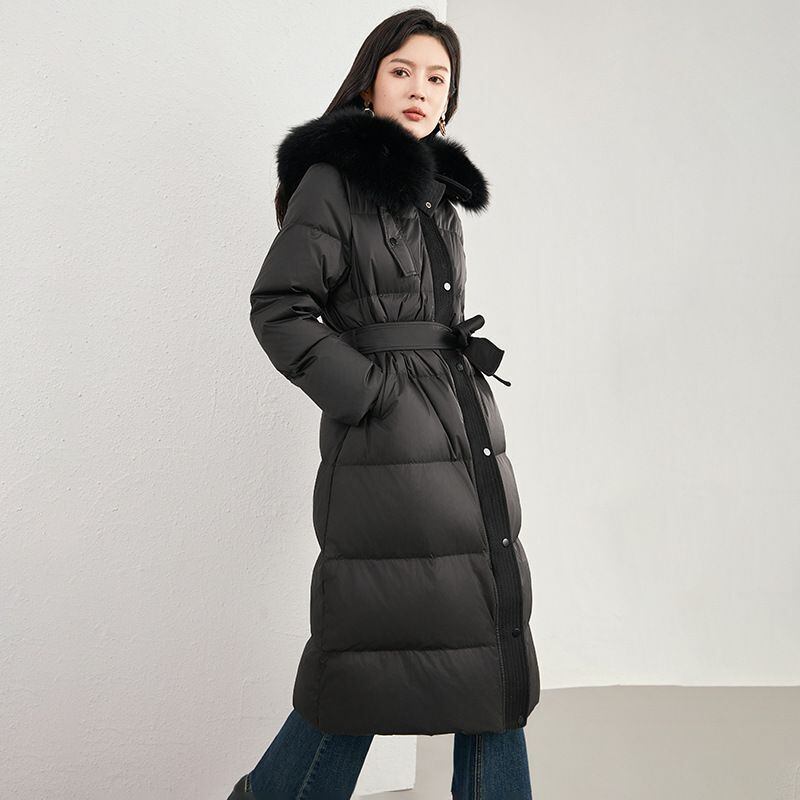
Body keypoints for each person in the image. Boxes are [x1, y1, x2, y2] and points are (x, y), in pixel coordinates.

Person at [230, 8, 540, 799]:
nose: (420, 89)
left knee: (483, 644)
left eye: (437, 78)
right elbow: (279, 306)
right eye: (402, 71)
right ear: (369, 84)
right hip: (389, 455)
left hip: (459, 441)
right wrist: (372, 394)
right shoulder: (335, 181)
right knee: (371, 655)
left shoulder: (436, 194)